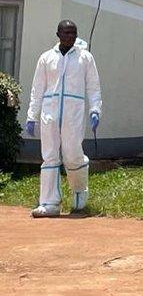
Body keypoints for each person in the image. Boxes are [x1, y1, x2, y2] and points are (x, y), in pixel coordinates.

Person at [24, 20, 102, 218]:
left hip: (73, 113)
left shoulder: (85, 58)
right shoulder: (46, 58)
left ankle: (79, 190)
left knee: (72, 154)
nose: (70, 36)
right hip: (50, 113)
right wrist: (32, 115)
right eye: (66, 33)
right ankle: (49, 203)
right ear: (58, 34)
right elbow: (37, 88)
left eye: (73, 33)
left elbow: (93, 86)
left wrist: (95, 109)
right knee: (49, 156)